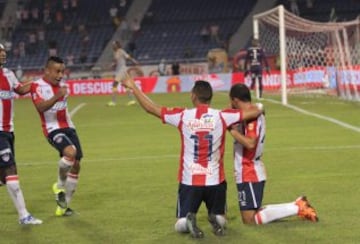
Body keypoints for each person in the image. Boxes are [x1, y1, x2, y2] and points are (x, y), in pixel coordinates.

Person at [120, 78, 264, 238]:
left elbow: (150, 108)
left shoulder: (183, 115)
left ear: (193, 96)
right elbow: (254, 111)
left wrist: (133, 87)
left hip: (190, 181)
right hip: (215, 182)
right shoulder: (222, 116)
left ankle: (187, 221)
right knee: (222, 219)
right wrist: (259, 107)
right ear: (210, 97)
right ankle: (216, 218)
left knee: (179, 224)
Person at [228, 83, 318, 225]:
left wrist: (232, 131)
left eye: (231, 101)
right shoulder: (252, 111)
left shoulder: (252, 117)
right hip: (249, 169)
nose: (230, 104)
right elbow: (258, 108)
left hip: (248, 170)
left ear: (235, 100)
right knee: (252, 216)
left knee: (250, 220)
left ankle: (297, 207)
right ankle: (297, 205)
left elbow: (251, 143)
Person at [30, 56, 84, 217]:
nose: (61, 75)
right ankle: (59, 185)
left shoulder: (63, 86)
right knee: (70, 153)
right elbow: (40, 107)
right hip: (52, 128)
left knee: (76, 165)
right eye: (57, 71)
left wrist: (60, 94)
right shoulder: (37, 86)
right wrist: (56, 96)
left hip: (69, 127)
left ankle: (64, 206)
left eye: (62, 71)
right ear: (47, 71)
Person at [0, 44, 42, 225]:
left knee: (3, 176)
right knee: (11, 170)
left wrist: (38, 83)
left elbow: (20, 90)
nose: (3, 54)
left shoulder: (8, 74)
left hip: (9, 130)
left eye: (3, 51)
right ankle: (23, 215)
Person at [107, 40, 138, 107]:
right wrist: (112, 65)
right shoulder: (115, 52)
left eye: (114, 44)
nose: (113, 45)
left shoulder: (121, 51)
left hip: (122, 69)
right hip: (118, 70)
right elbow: (116, 61)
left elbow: (128, 57)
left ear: (117, 45)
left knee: (114, 84)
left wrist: (134, 61)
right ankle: (132, 100)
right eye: (112, 44)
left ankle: (113, 102)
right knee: (126, 85)